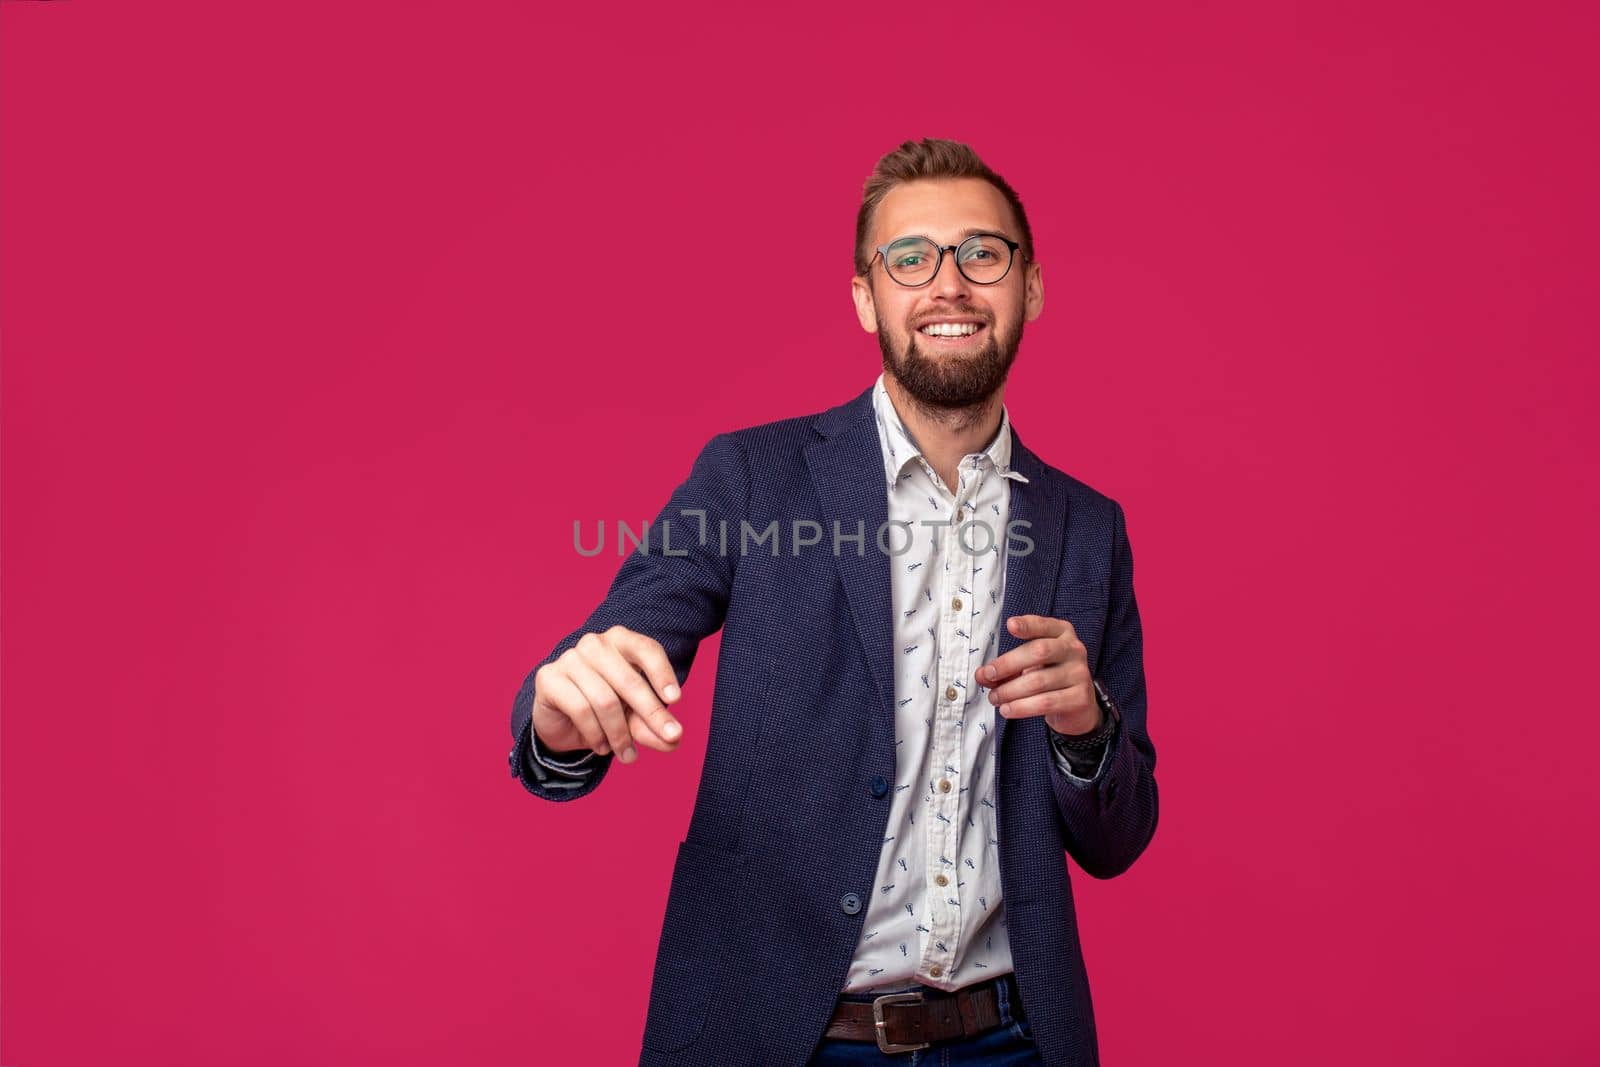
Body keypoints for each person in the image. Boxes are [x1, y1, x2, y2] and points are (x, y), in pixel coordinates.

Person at [508, 137, 1159, 1067]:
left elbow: (1119, 837)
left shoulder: (1088, 528)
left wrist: (1085, 726)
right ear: (866, 297)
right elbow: (608, 655)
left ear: (1031, 288)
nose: (949, 285)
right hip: (778, 1033)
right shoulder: (752, 477)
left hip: (1015, 1036)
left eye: (982, 254)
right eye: (910, 258)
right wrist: (564, 707)